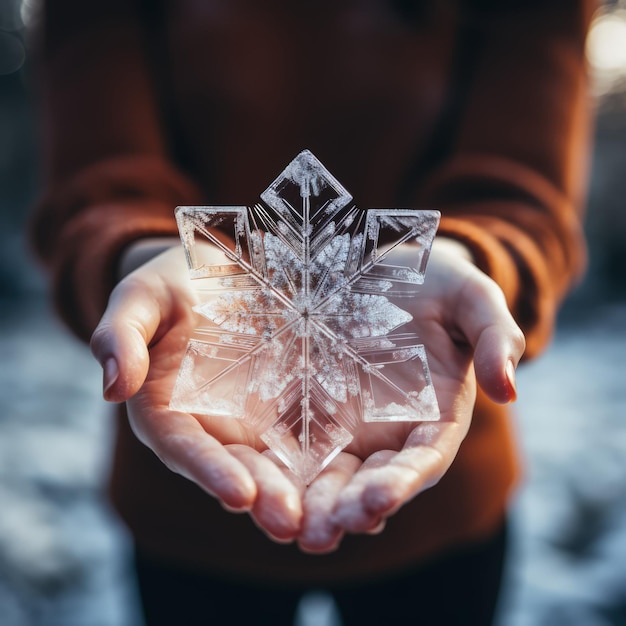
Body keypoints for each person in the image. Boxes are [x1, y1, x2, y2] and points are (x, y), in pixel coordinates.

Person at [31, 0, 594, 624]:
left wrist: (472, 258)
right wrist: (138, 255)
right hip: (195, 487)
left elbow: (523, 196)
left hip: (434, 480)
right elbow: (98, 182)